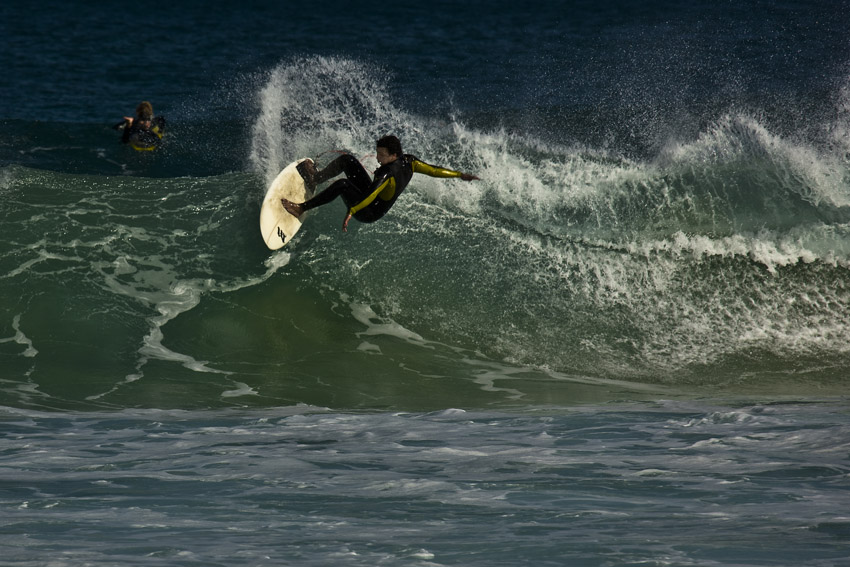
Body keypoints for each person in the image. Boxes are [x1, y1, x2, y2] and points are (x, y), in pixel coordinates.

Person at [281, 135, 480, 231]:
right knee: (347, 160)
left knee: (343, 184)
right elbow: (435, 171)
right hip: (369, 197)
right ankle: (316, 178)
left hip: (368, 212)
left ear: (394, 155)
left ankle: (301, 208)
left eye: (382, 155)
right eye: (377, 153)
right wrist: (459, 175)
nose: (377, 158)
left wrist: (351, 212)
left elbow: (371, 195)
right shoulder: (409, 161)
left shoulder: (387, 173)